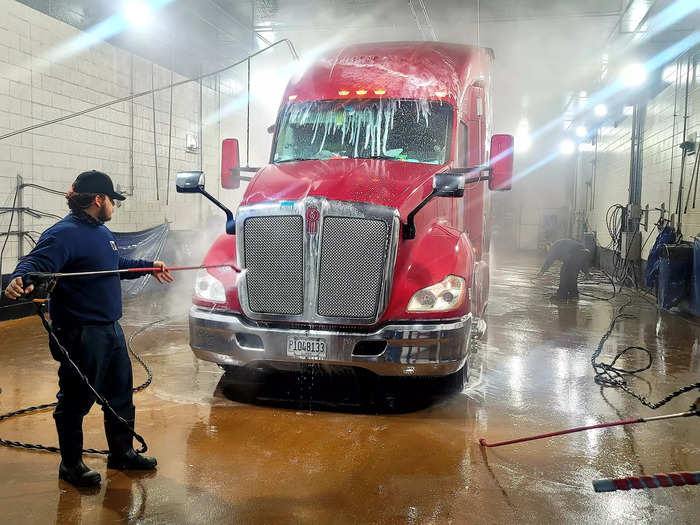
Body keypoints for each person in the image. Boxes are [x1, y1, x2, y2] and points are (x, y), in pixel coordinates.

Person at [3, 170, 174, 488]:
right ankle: (71, 465)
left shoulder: (101, 233)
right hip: (80, 333)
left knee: (121, 394)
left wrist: (148, 266)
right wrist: (18, 278)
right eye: (113, 201)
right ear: (99, 200)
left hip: (110, 329)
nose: (114, 207)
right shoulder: (63, 234)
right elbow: (34, 263)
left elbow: (117, 264)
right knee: (76, 400)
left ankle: (121, 453)